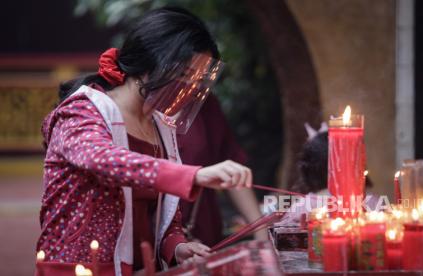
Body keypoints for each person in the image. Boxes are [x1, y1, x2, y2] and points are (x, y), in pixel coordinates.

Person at [36, 7, 253, 276]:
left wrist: (177, 246)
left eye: (197, 80)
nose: (190, 89)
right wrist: (195, 175)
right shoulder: (82, 110)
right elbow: (103, 159)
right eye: (184, 75)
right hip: (79, 269)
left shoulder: (161, 126)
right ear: (150, 62)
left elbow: (163, 217)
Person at [177, 94, 267, 247]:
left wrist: (262, 232)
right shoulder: (129, 110)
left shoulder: (202, 101)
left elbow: (230, 164)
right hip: (155, 245)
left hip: (203, 232)